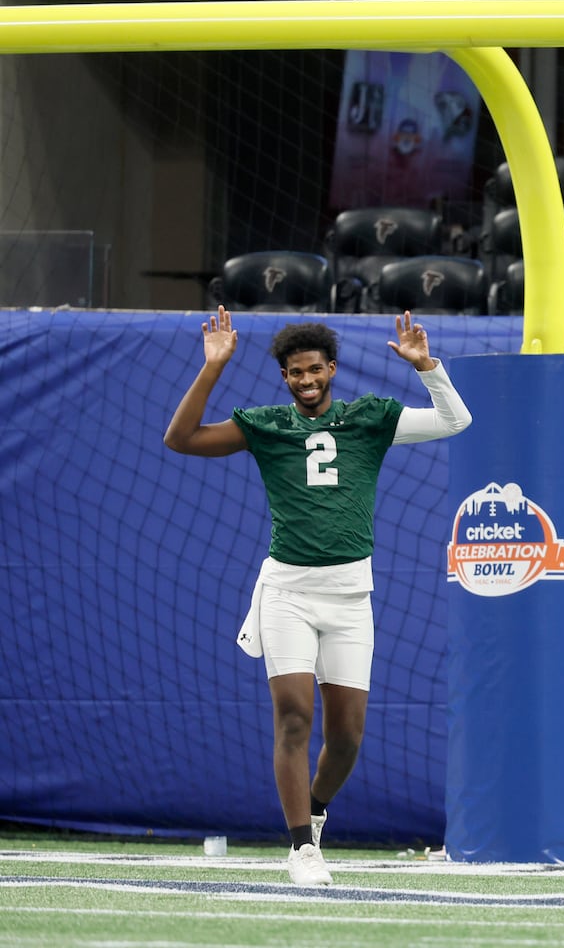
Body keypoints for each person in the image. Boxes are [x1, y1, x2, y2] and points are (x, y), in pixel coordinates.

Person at [164, 306, 472, 887]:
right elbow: (180, 439)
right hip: (288, 593)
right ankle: (302, 847)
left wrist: (427, 365)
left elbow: (455, 420)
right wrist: (212, 368)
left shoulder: (370, 417)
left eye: (313, 370)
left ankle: (316, 810)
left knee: (348, 736)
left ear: (330, 368)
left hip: (351, 598)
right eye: (293, 373)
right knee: (294, 717)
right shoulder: (266, 425)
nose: (305, 381)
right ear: (284, 377)